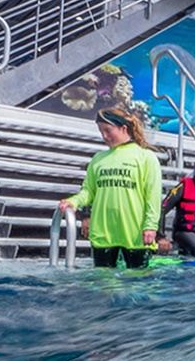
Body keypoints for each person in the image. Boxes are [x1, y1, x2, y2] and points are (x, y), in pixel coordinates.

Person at [58, 108, 162, 269]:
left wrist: (150, 226)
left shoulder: (146, 157)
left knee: (138, 285)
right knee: (103, 285)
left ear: (123, 128)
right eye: (101, 131)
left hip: (135, 234)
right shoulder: (98, 159)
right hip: (103, 233)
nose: (104, 136)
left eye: (108, 130)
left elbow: (153, 196)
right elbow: (88, 191)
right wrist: (74, 201)